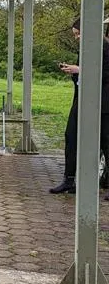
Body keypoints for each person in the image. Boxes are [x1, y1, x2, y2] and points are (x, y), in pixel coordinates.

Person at [50, 17, 109, 199]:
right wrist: (74, 72)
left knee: (105, 142)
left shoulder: (106, 48)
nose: (76, 38)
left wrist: (80, 70)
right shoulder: (85, 48)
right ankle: (69, 179)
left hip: (103, 103)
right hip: (81, 100)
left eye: (78, 33)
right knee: (71, 136)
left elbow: (104, 73)